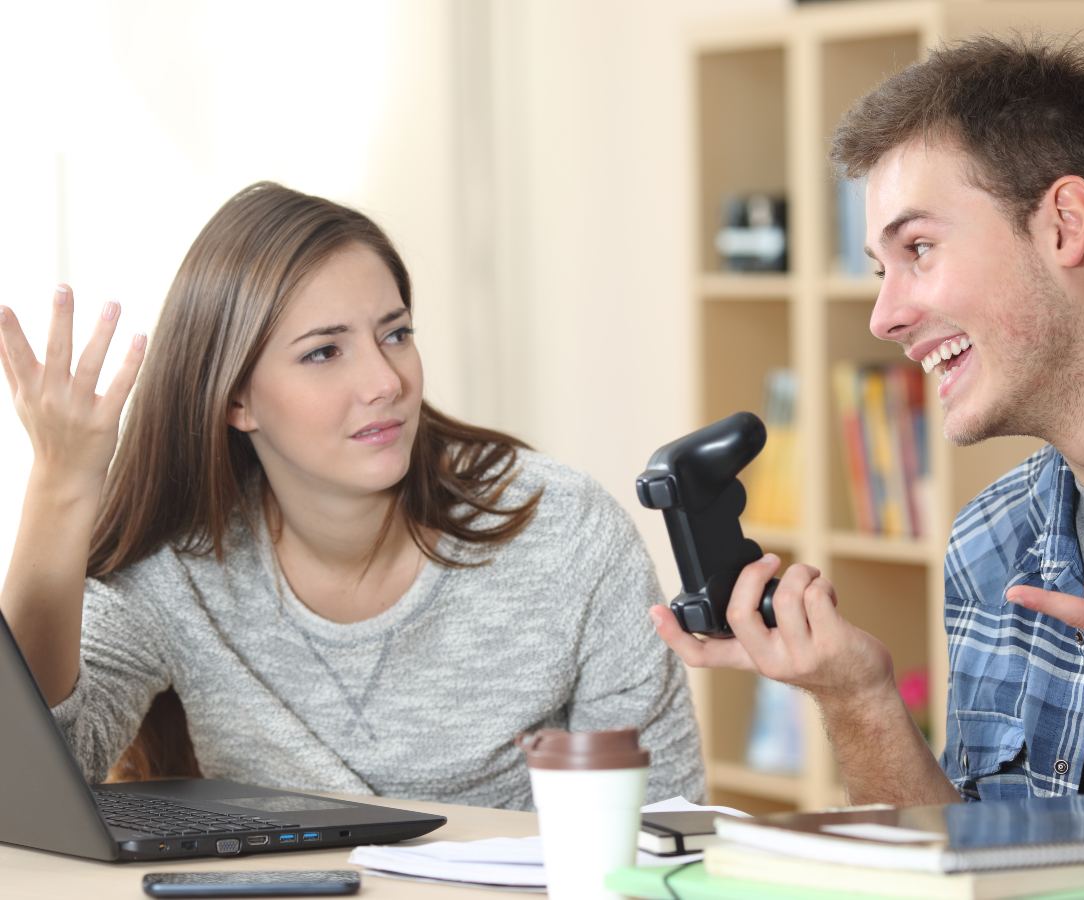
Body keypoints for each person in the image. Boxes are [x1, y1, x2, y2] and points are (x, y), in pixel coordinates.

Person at [0, 181, 704, 810]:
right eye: (324, 352)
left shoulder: (564, 529)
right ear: (237, 398)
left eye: (395, 334)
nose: (386, 382)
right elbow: (24, 783)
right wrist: (60, 485)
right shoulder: (178, 571)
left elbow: (665, 824)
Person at [653, 34, 1084, 807]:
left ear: (1065, 224)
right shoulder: (993, 544)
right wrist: (858, 699)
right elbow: (971, 872)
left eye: (919, 248)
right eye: (881, 269)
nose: (884, 316)